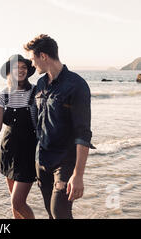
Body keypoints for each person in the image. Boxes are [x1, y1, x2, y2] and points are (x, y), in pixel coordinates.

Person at [23, 34, 95, 219]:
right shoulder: (39, 84)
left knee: (60, 213)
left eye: (33, 59)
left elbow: (83, 132)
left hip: (64, 162)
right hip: (42, 160)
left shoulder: (76, 85)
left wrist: (78, 174)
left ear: (43, 56)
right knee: (50, 213)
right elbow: (34, 121)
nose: (32, 65)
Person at [0, 54, 38, 219]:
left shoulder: (35, 91)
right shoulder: (3, 94)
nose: (20, 71)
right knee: (13, 199)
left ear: (28, 70)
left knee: (17, 202)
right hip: (8, 150)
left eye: (23, 67)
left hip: (28, 151)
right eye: (16, 68)